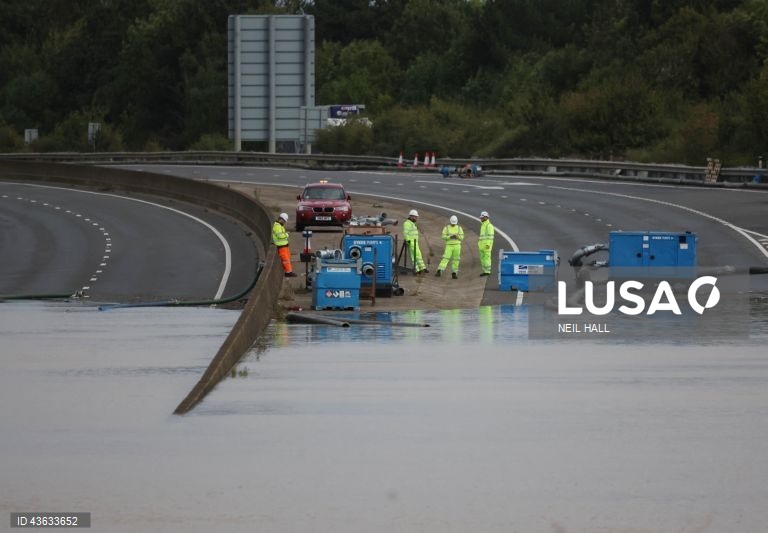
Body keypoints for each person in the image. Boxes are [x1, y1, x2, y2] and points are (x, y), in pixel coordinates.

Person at [403, 209, 428, 274]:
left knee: (414, 256)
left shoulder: (412, 223)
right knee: (417, 254)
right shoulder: (407, 223)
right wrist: (408, 241)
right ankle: (421, 268)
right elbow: (405, 233)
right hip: (411, 242)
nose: (416, 218)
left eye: (416, 217)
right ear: (411, 216)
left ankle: (418, 269)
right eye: (415, 217)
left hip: (414, 242)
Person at [272, 212, 297, 277]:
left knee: (287, 258)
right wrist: (286, 234)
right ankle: (288, 272)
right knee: (286, 259)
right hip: (281, 246)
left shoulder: (279, 226)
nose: (284, 222)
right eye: (284, 221)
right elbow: (280, 236)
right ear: (281, 219)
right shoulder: (277, 226)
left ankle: (289, 271)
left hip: (284, 245)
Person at [478, 210, 495, 276]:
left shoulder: (489, 226)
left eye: (482, 217)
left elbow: (490, 237)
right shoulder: (483, 225)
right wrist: (479, 244)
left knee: (487, 258)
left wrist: (488, 244)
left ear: (486, 217)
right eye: (481, 217)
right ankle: (485, 271)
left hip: (486, 246)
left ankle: (487, 271)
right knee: (482, 259)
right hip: (481, 246)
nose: (481, 218)